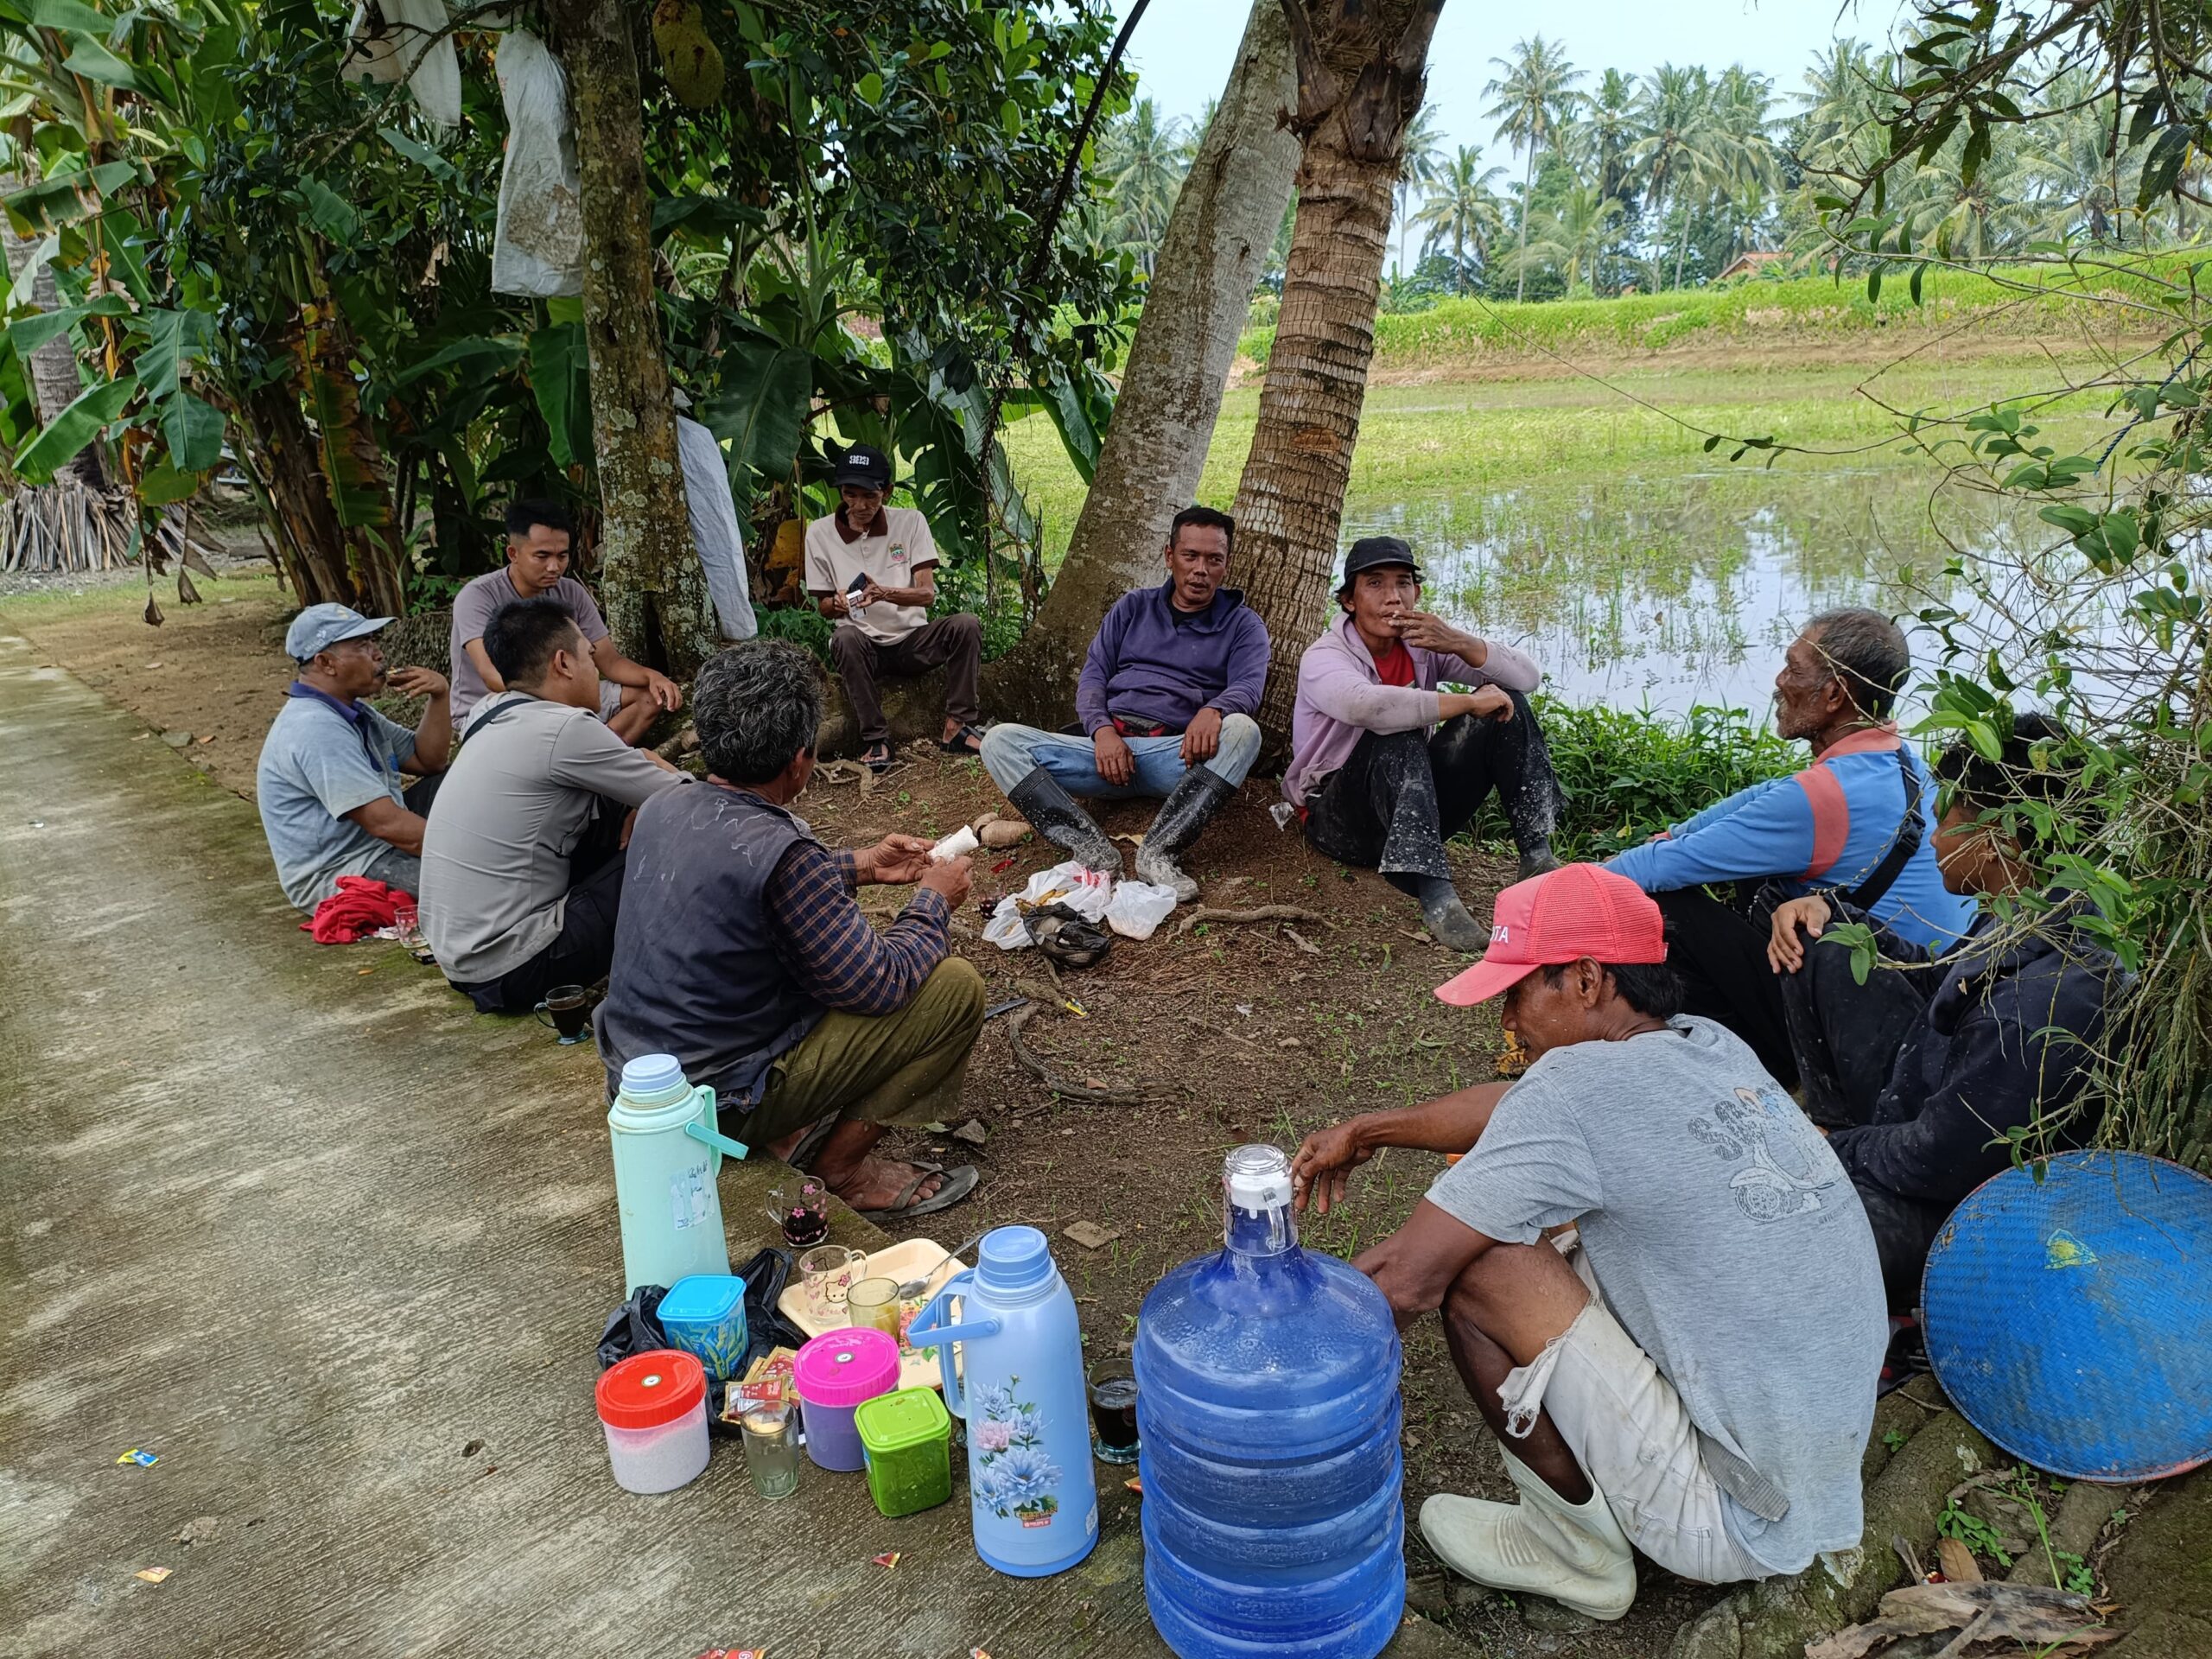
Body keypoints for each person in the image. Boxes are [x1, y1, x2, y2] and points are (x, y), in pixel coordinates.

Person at [1289, 864, 1885, 1620]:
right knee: (1557, 1225)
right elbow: (1516, 1105)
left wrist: (1248, 1384)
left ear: (1585, 980)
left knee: (1483, 1266)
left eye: (1518, 991)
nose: (1508, 1019)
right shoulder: (1709, 1046)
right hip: (1814, 1469)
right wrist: (1372, 1131)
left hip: (1740, 1512)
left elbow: (1406, 1280)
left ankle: (1573, 1553)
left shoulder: (1577, 1091)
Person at [594, 639, 985, 1221]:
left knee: (810, 972)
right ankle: (843, 1170)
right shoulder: (785, 852)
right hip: (718, 1104)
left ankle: (789, 1128)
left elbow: (742, 885)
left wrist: (864, 865)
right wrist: (931, 903)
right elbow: (879, 983)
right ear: (799, 760)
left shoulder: (665, 805)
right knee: (953, 988)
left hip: (643, 1088)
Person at [1764, 714, 2118, 1309]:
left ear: (1997, 837)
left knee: (1788, 1230)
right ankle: (1837, 1129)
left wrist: (1832, 1149)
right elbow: (1943, 981)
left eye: (1946, 816)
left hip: (1958, 1205)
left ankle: (1839, 1157)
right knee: (1826, 935)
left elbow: (1939, 1160)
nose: (1931, 837)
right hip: (1925, 1107)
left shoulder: (2038, 1005)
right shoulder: (2027, 908)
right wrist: (1835, 915)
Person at [1605, 607, 1975, 1085]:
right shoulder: (1902, 760)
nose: (1779, 681)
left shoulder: (1824, 797)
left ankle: (1750, 1065)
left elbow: (1656, 870)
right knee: (1753, 879)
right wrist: (1676, 834)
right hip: (1915, 1002)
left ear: (1834, 694)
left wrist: (1560, 887)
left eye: (1793, 668)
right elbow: (1753, 802)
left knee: (1664, 905)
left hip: (1868, 1025)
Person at [1283, 536, 1563, 950]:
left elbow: (1527, 678)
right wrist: (1469, 701)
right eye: (1374, 584)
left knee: (1510, 704)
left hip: (1414, 808)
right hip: (1341, 818)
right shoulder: (1324, 657)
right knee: (1397, 733)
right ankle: (1437, 897)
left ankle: (1536, 854)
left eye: (1403, 584)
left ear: (1417, 593)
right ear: (1349, 600)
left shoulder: (1424, 646)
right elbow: (1367, 707)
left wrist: (1461, 643)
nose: (1392, 598)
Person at [977, 505, 1268, 899]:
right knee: (999, 741)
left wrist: (1213, 710)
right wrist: (1101, 731)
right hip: (1104, 756)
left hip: (1178, 758)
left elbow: (1250, 686)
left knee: (1243, 731)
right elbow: (1094, 675)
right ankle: (1091, 849)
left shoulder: (1243, 624)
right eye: (1190, 556)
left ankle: (1159, 852)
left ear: (1226, 565)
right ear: (1170, 556)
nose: (1201, 569)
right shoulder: (1133, 607)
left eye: (1213, 559)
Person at [418, 599, 692, 1014]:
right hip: (518, 966)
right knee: (683, 839)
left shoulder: (488, 713)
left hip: (461, 960)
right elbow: (694, 805)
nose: (596, 668)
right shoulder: (563, 728)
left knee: (622, 806)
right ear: (563, 663)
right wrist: (655, 772)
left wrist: (646, 798)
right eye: (589, 656)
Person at [257, 602, 452, 911]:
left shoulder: (355, 712)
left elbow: (429, 762)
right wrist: (476, 851)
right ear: (326, 663)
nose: (378, 654)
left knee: (461, 781)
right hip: (340, 871)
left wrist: (440, 695)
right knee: (476, 886)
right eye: (363, 646)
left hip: (377, 845)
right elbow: (386, 824)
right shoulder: (315, 727)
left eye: (373, 642)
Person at [806, 442, 987, 771]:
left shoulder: (910, 523)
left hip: (912, 642)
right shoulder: (819, 534)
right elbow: (824, 607)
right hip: (863, 648)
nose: (859, 505)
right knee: (844, 638)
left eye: (869, 496)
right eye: (850, 494)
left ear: (887, 492)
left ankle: (957, 727)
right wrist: (840, 602)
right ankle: (877, 740)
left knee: (966, 625)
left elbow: (926, 594)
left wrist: (884, 593)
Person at [447, 499, 683, 746]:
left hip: (561, 698)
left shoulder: (572, 593)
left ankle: (596, 757)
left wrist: (652, 677)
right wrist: (563, 699)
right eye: (542, 556)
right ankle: (589, 757)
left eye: (562, 556)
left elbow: (610, 662)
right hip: (495, 706)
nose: (554, 567)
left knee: (650, 697)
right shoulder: (477, 596)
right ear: (513, 554)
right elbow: (490, 674)